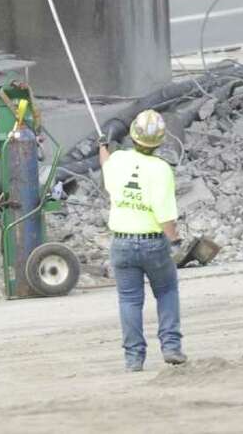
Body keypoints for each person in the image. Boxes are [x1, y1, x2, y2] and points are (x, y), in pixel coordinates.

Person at [99, 108, 185, 373]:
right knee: (167, 291)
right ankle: (171, 347)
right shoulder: (161, 169)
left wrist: (103, 145)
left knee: (129, 299)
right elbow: (164, 213)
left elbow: (105, 163)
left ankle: (134, 359)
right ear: (159, 141)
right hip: (152, 242)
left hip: (122, 243)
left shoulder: (118, 161)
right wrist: (174, 241)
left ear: (133, 136)